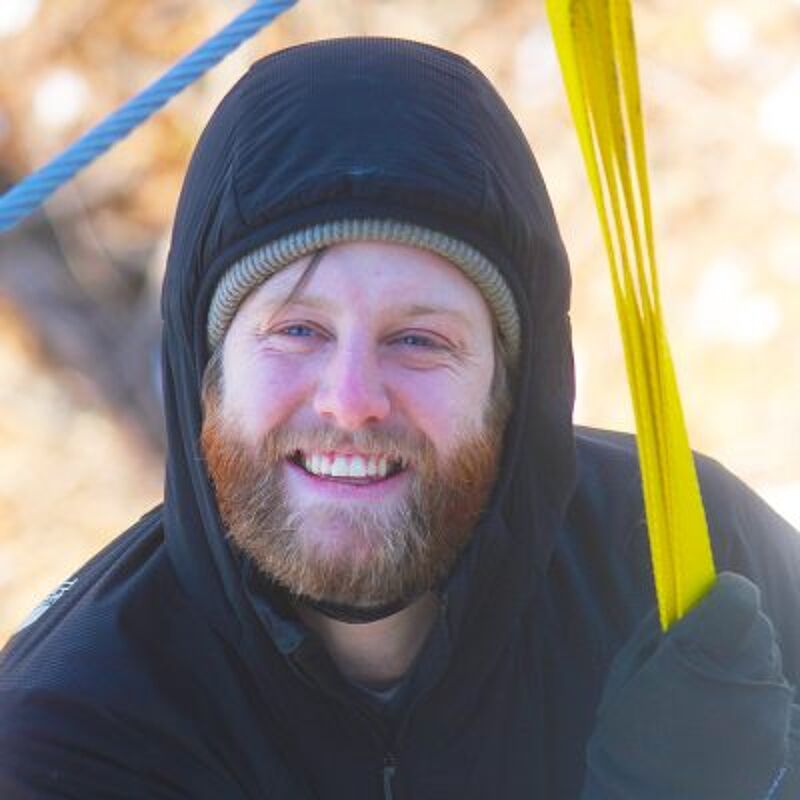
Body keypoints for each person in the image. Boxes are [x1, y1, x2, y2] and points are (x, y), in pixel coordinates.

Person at [1, 37, 798, 799]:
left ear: (514, 386)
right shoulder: (73, 729)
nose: (352, 400)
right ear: (204, 371)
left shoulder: (685, 560)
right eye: (298, 330)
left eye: (420, 340)